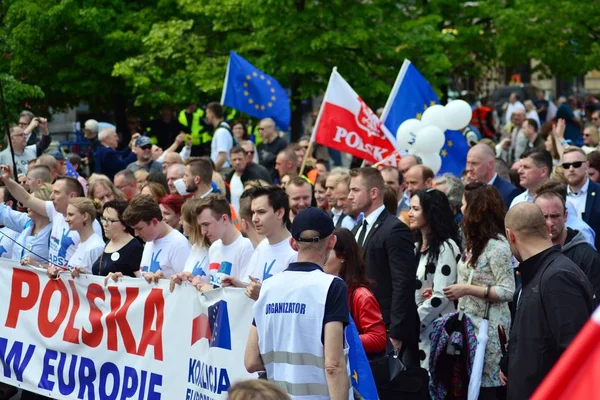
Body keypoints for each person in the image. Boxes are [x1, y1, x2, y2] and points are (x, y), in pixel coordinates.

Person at [245, 207, 352, 399]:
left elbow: (251, 361)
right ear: (332, 242)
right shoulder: (332, 287)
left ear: (293, 243)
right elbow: (333, 365)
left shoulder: (268, 287)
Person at [503, 203, 594, 399]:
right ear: (546, 228)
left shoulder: (557, 278)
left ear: (511, 235)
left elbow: (575, 357)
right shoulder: (536, 276)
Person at [443, 182, 515, 398]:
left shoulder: (498, 246)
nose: (461, 209)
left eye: (465, 205)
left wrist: (467, 289)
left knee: (486, 388)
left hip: (489, 331)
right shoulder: (474, 243)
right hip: (470, 326)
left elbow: (507, 291)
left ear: (476, 210)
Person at [348, 168, 420, 377]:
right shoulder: (358, 229)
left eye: (355, 189)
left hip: (388, 328)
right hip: (364, 327)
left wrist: (395, 333)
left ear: (373, 193)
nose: (350, 195)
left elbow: (403, 282)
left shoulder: (395, 229)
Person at [0, 166, 103, 268]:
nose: (51, 197)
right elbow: (26, 199)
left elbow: (91, 268)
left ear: (72, 196)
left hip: (71, 284)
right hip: (54, 282)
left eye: (56, 193)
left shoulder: (91, 223)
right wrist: (7, 180)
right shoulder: (55, 211)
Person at [408, 189, 461, 369]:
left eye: (415, 209)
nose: (409, 213)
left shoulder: (446, 247)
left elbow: (441, 295)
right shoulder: (415, 246)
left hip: (436, 336)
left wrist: (412, 323)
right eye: (410, 208)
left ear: (430, 212)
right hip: (416, 336)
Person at [224, 186, 298, 300]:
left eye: (261, 212)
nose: (254, 218)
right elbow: (254, 287)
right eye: (253, 212)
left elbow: (294, 299)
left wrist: (263, 293)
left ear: (280, 213)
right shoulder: (262, 247)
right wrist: (239, 285)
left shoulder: (295, 251)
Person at [325, 228, 387, 356]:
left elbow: (378, 338)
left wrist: (337, 339)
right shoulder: (324, 288)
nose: (322, 257)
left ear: (342, 256)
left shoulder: (361, 295)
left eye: (328, 251)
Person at [534, 189, 600, 299]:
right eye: (544, 217)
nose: (550, 223)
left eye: (555, 216)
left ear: (565, 216)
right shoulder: (531, 255)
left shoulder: (588, 257)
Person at [122, 194, 190, 279]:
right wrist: (123, 280)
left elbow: (186, 286)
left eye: (139, 228)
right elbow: (145, 281)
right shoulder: (150, 240)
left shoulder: (179, 244)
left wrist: (163, 282)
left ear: (154, 221)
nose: (136, 234)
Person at [197, 195, 254, 286]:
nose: (203, 231)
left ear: (224, 219)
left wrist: (212, 290)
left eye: (206, 224)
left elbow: (248, 291)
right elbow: (214, 284)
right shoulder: (214, 247)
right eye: (201, 225)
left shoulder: (245, 246)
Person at [47, 198, 105, 275]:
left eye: (70, 215)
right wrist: (61, 272)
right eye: (67, 215)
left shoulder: (96, 247)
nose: (66, 219)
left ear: (85, 216)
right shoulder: (83, 243)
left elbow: (99, 280)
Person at [0, 184, 52, 264]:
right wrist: (7, 180)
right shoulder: (27, 221)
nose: (25, 205)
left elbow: (63, 268)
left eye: (30, 202)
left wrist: (39, 265)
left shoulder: (55, 231)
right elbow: (3, 213)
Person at [92, 201, 143, 278]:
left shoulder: (134, 248)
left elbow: (141, 281)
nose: (105, 224)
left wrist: (123, 278)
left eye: (110, 220)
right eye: (103, 219)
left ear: (124, 223)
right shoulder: (108, 242)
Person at [563, 147, 600, 250]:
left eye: (576, 164)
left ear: (587, 165)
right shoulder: (557, 195)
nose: (571, 169)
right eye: (566, 166)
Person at [466, 144, 521, 209]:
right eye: (468, 163)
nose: (469, 168)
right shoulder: (470, 190)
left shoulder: (509, 193)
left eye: (474, 163)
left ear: (490, 164)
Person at [226, 146, 271, 212]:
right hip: (234, 217)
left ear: (245, 159)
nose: (237, 162)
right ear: (230, 161)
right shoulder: (229, 177)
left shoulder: (254, 175)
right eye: (234, 159)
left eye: (240, 159)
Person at [206, 102, 233, 171]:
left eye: (207, 113)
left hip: (222, 170)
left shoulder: (221, 132)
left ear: (212, 114)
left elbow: (222, 157)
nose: (206, 116)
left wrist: (212, 173)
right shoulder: (223, 129)